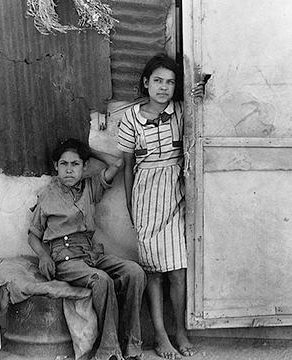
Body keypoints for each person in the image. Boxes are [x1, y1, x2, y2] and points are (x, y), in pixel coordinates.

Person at [117, 54, 205, 359]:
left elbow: (202, 111)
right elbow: (128, 166)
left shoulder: (181, 112)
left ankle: (180, 331)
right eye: (158, 80)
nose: (164, 87)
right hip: (146, 197)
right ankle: (160, 336)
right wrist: (131, 205)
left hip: (176, 192)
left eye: (170, 82)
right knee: (153, 271)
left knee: (178, 270)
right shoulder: (130, 118)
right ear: (146, 83)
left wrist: (199, 95)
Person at [27, 138, 147, 360]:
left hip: (90, 253)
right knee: (101, 280)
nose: (69, 170)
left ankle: (131, 345)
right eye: (64, 164)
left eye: (75, 164)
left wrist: (87, 150)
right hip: (66, 259)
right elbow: (33, 235)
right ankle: (107, 350)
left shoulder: (90, 186)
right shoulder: (47, 195)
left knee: (134, 272)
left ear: (84, 167)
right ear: (56, 166)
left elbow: (118, 164)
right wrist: (43, 256)